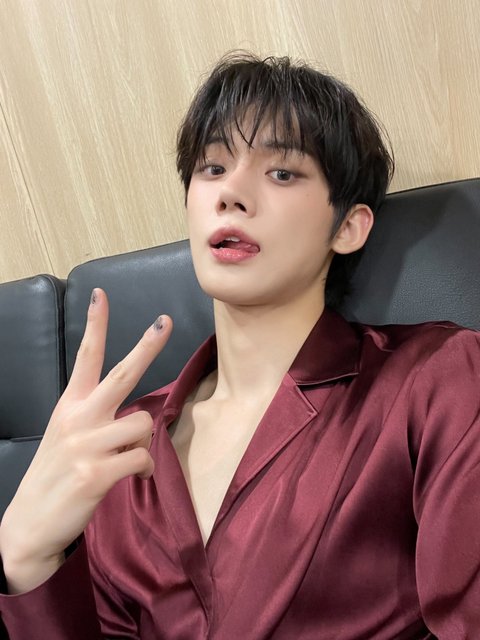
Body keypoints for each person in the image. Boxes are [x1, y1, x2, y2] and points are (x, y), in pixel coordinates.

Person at [0, 52, 479, 639]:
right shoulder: (121, 445)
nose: (231, 193)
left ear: (348, 226)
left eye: (282, 173)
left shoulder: (435, 378)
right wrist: (28, 562)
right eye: (212, 167)